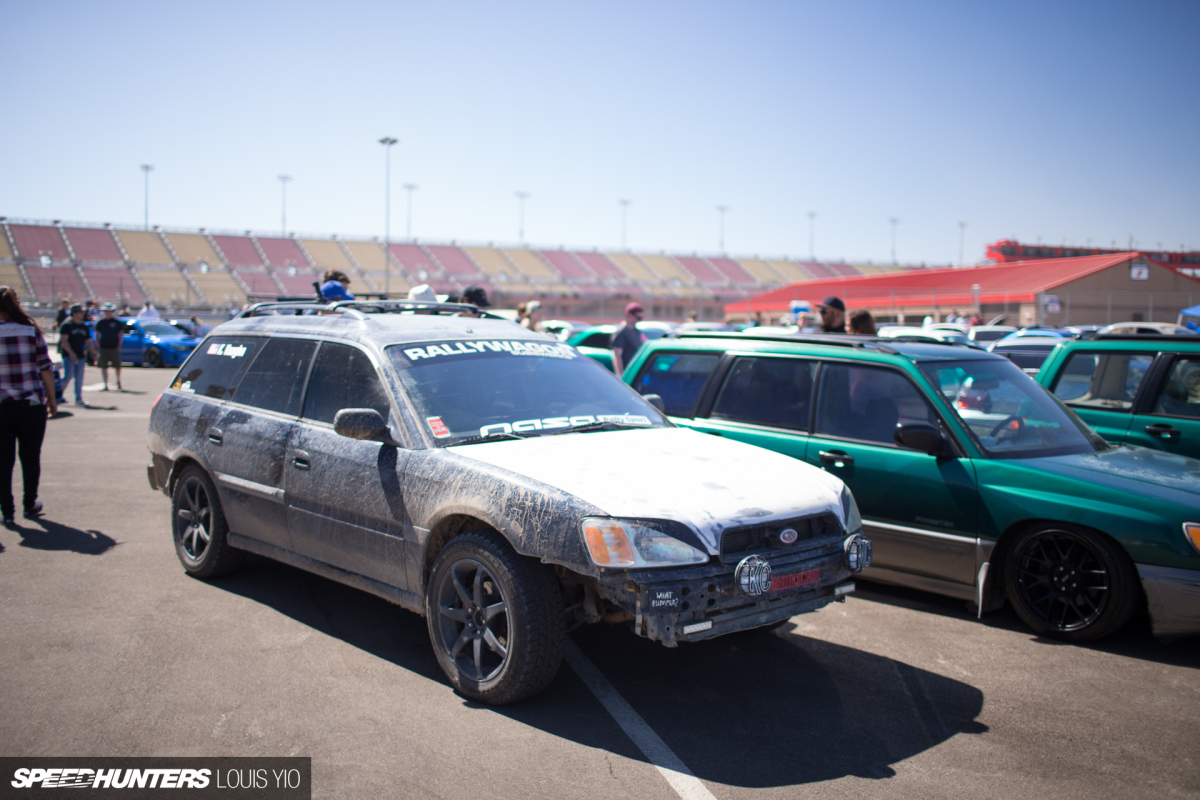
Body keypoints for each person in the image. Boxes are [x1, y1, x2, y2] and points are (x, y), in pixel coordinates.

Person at [0, 286, 57, 525]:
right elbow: (46, 369)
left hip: (2, 405)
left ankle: (8, 511)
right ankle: (29, 504)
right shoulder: (31, 331)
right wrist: (52, 400)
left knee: (3, 460)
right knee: (31, 456)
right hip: (31, 401)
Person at [58, 305, 95, 407]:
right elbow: (64, 340)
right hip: (68, 355)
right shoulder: (67, 325)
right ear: (74, 313)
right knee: (68, 376)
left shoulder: (83, 326)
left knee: (79, 377)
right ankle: (57, 395)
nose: (82, 314)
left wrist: (93, 353)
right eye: (80, 312)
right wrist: (70, 352)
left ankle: (78, 399)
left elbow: (88, 341)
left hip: (80, 356)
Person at [93, 303, 125, 391]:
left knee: (117, 366)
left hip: (114, 347)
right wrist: (98, 345)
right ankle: (105, 384)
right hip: (103, 347)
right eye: (106, 311)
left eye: (109, 311)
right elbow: (96, 334)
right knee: (104, 366)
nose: (108, 313)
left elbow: (121, 334)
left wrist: (119, 345)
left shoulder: (116, 322)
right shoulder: (101, 322)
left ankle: (118, 381)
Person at [610, 302, 647, 375]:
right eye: (638, 318)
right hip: (627, 373)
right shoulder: (622, 332)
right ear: (630, 315)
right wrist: (621, 376)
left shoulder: (636, 331)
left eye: (641, 318)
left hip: (635, 371)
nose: (639, 320)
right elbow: (617, 356)